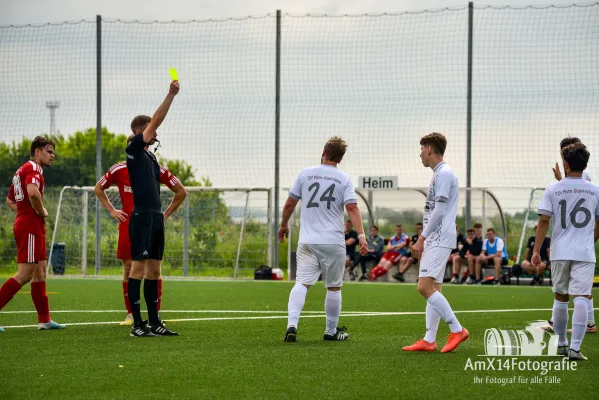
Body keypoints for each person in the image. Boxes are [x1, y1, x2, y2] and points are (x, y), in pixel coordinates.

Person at [278, 136, 368, 342]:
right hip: (333, 241)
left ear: (323, 153)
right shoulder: (343, 178)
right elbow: (352, 208)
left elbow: (289, 204)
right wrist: (362, 236)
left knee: (301, 283)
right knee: (334, 286)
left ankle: (292, 325)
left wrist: (283, 225)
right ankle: (331, 331)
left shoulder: (305, 174)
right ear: (340, 159)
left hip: (307, 241)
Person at [94, 135, 186, 326]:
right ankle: (131, 315)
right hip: (129, 223)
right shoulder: (118, 169)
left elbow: (181, 191)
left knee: (154, 269)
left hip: (150, 223)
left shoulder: (154, 168)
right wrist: (112, 210)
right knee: (129, 267)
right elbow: (98, 188)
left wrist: (164, 214)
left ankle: (155, 316)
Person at [532, 142, 599, 360]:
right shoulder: (595, 190)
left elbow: (543, 222)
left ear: (566, 164)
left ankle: (561, 343)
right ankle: (576, 349)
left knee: (561, 298)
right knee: (581, 297)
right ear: (585, 164)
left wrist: (536, 251)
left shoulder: (553, 188)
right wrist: (590, 239)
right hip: (585, 252)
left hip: (560, 252)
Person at [404, 132, 469, 353]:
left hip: (438, 238)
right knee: (434, 288)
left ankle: (457, 329)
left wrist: (421, 239)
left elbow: (439, 210)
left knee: (423, 287)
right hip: (438, 237)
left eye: (421, 149)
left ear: (430, 149)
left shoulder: (444, 173)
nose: (420, 154)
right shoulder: (440, 173)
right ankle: (429, 340)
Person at [125, 80, 180, 337]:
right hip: (142, 217)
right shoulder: (134, 150)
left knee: (155, 271)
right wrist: (170, 94)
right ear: (141, 131)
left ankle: (154, 322)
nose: (155, 134)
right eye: (150, 131)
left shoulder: (151, 156)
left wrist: (164, 214)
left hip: (155, 217)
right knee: (138, 269)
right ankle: (137, 324)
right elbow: (156, 122)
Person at [0, 137, 65, 332]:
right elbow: (33, 193)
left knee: (40, 271)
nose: (52, 155)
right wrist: (40, 210)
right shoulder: (34, 169)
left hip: (31, 224)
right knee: (25, 274)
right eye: (49, 151)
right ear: (38, 151)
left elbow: (10, 201)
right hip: (29, 225)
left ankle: (44, 319)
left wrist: (25, 212)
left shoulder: (22, 169)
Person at [544, 136, 596, 334]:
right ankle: (579, 325)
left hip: (578, 237)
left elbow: (578, 199)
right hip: (574, 238)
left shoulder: (585, 178)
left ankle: (587, 324)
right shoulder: (566, 180)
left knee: (576, 289)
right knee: (570, 288)